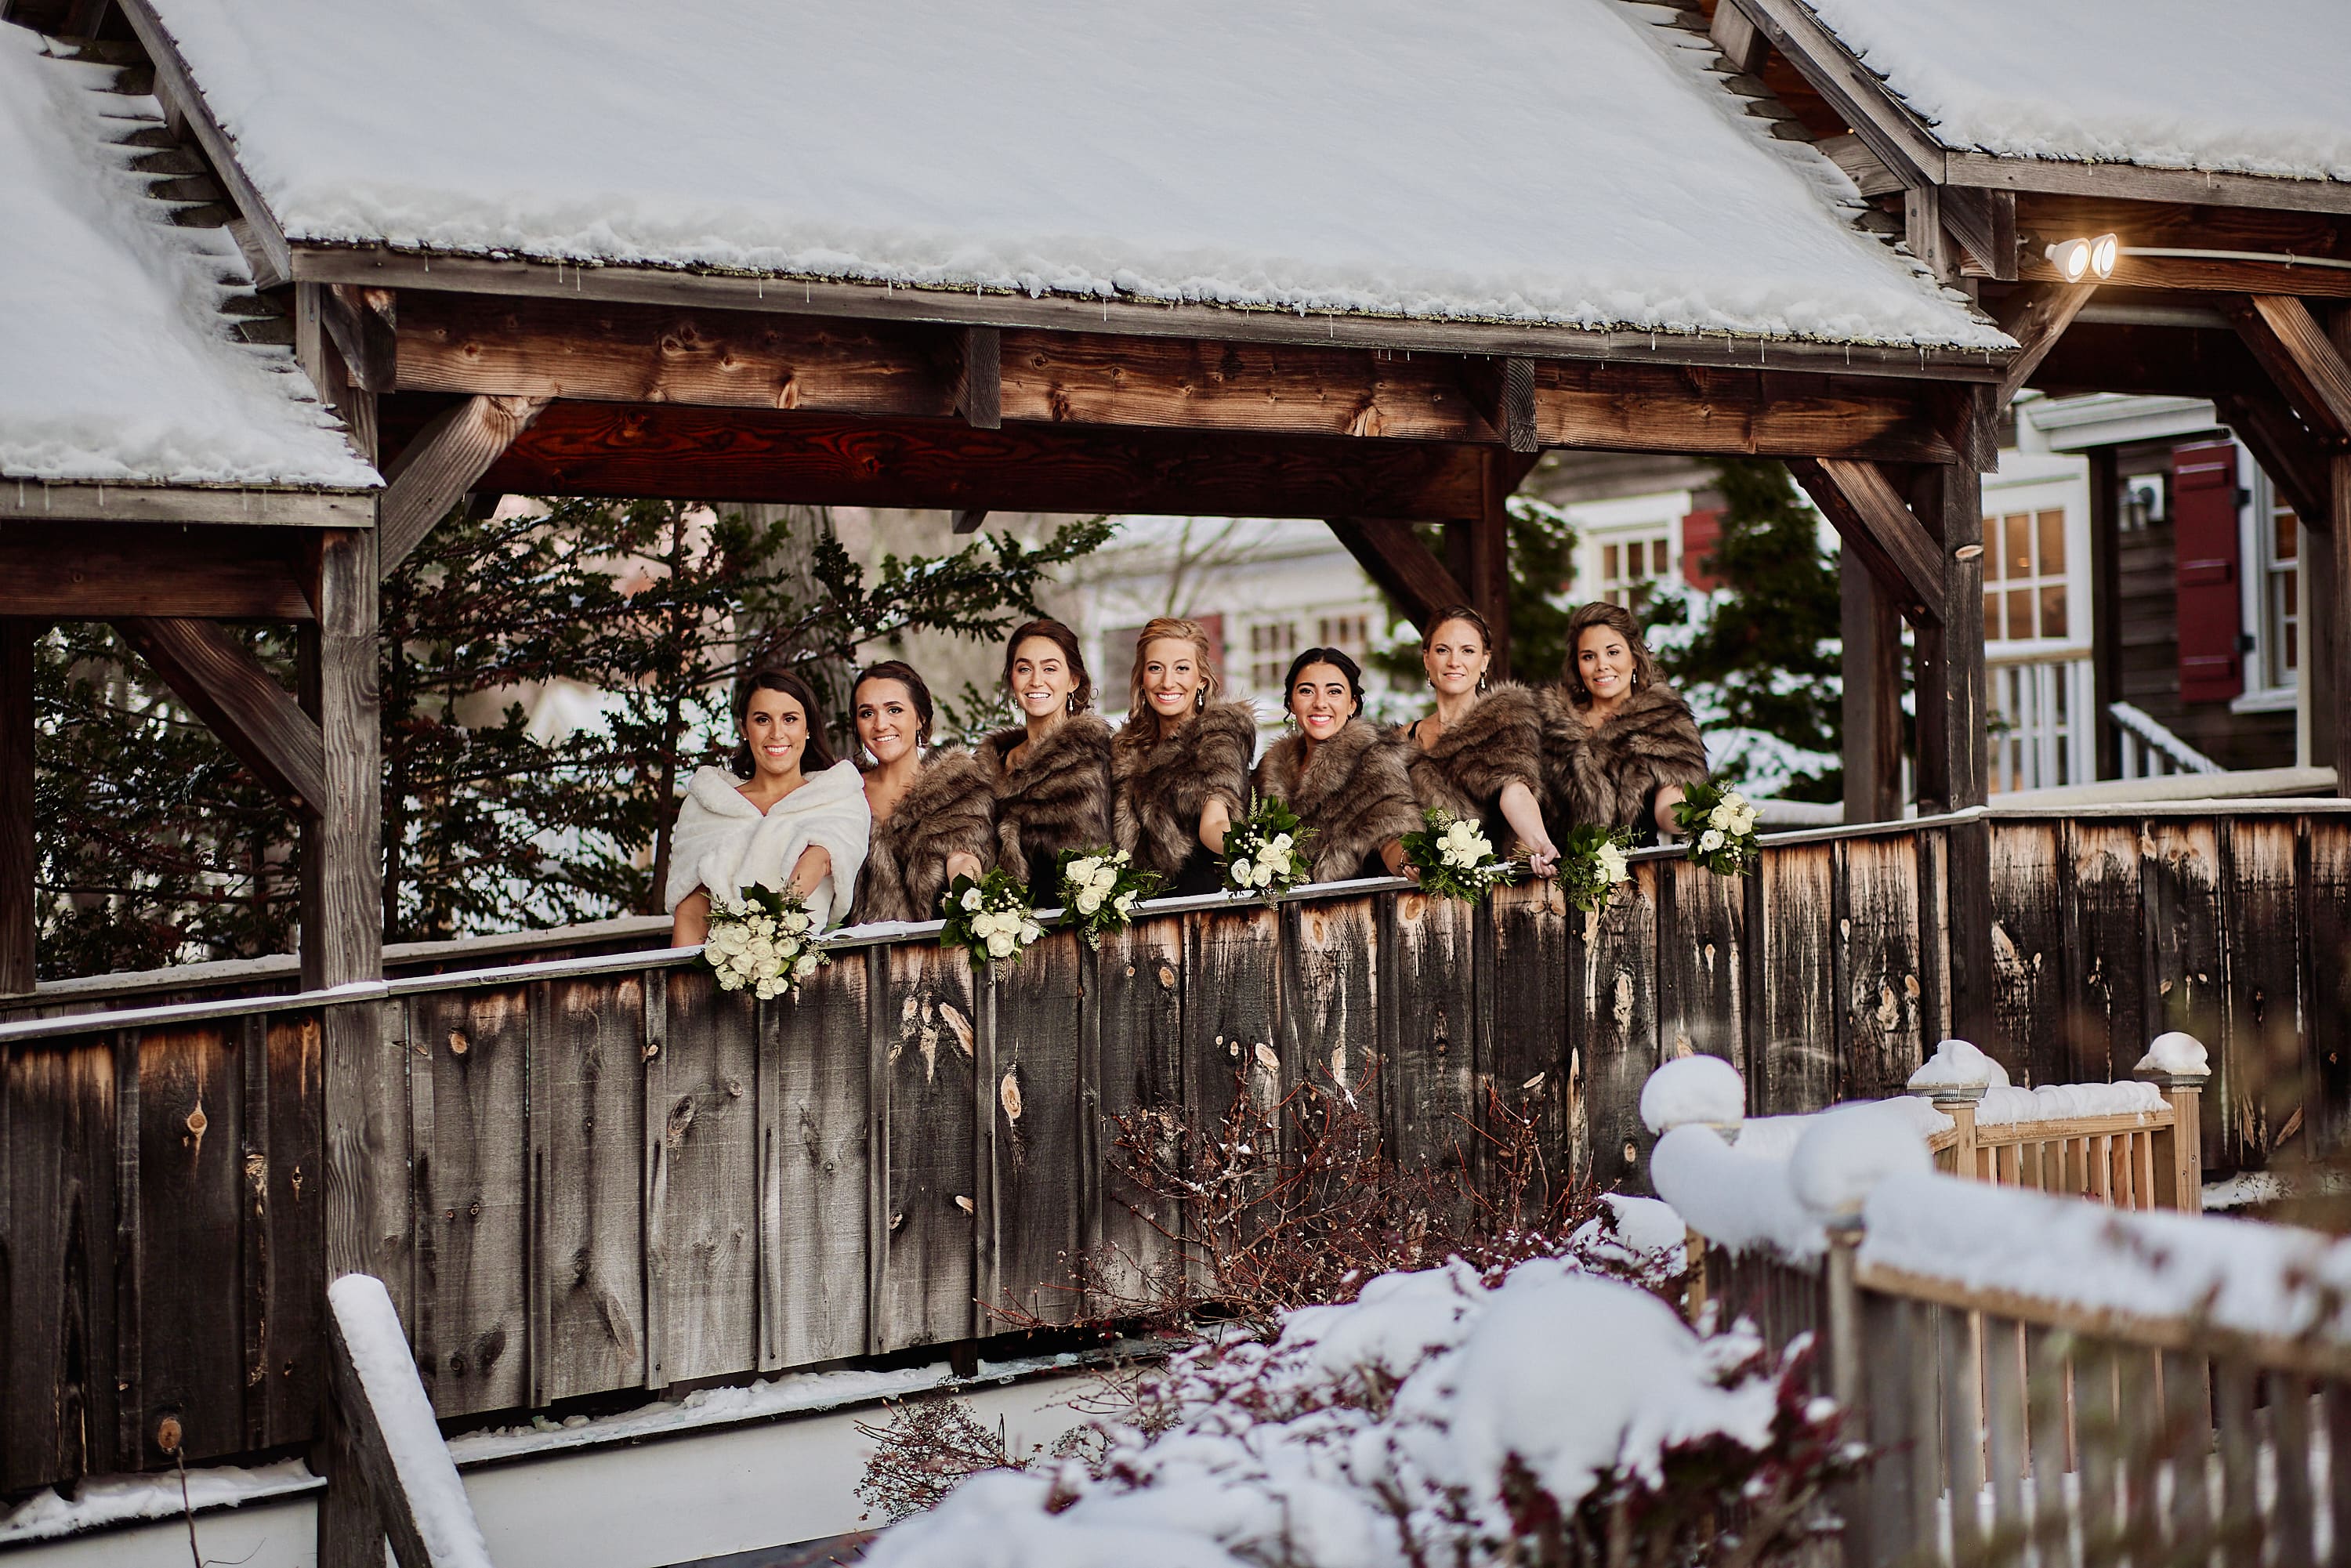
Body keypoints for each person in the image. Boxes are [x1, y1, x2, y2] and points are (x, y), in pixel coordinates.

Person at [667, 668, 871, 944]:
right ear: (745, 729)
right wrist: (685, 986)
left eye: (790, 719)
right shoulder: (707, 802)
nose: (777, 733)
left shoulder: (837, 795)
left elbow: (820, 858)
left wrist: (771, 936)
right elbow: (690, 914)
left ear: (808, 727)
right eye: (763, 720)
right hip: (716, 966)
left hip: (801, 964)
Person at [1396, 605, 1559, 877]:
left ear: (1484, 661)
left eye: (1467, 651)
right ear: (1426, 659)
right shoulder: (1404, 739)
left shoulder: (1506, 723)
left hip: (1488, 893)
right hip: (1418, 898)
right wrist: (1405, 860)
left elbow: (1516, 788)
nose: (1454, 662)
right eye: (1442, 650)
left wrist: (1539, 842)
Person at [1536, 601, 1708, 842]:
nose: (1602, 665)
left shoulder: (1664, 721)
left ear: (1635, 659)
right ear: (1576, 664)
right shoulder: (1547, 723)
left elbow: (1669, 805)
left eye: (1613, 652)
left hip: (1638, 872)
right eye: (1588, 656)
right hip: (1557, 872)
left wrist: (1695, 820)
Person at [1110, 617, 1258, 897]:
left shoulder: (1218, 737)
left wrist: (1251, 849)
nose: (1168, 682)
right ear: (1142, 679)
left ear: (1201, 680)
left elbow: (1214, 821)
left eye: (1182, 668)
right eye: (1155, 669)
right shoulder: (1123, 751)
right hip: (1135, 914)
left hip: (1202, 908)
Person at [974, 618, 1114, 907]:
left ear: (1073, 680)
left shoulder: (1093, 757)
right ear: (1012, 680)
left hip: (1071, 929)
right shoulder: (988, 767)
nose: (1036, 680)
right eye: (1024, 669)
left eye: (1050, 669)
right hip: (999, 933)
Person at [1250, 646, 1419, 884]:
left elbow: (1390, 833)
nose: (1320, 703)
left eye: (1334, 692)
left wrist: (1408, 860)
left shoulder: (1374, 759)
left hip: (1348, 913)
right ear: (1290, 703)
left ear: (1352, 705)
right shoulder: (1268, 771)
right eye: (1307, 691)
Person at [846, 661, 994, 924]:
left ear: (920, 718)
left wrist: (968, 896)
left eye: (894, 710)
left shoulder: (957, 788)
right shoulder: (843, 792)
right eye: (867, 713)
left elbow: (964, 854)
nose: (880, 724)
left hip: (936, 957)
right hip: (853, 960)